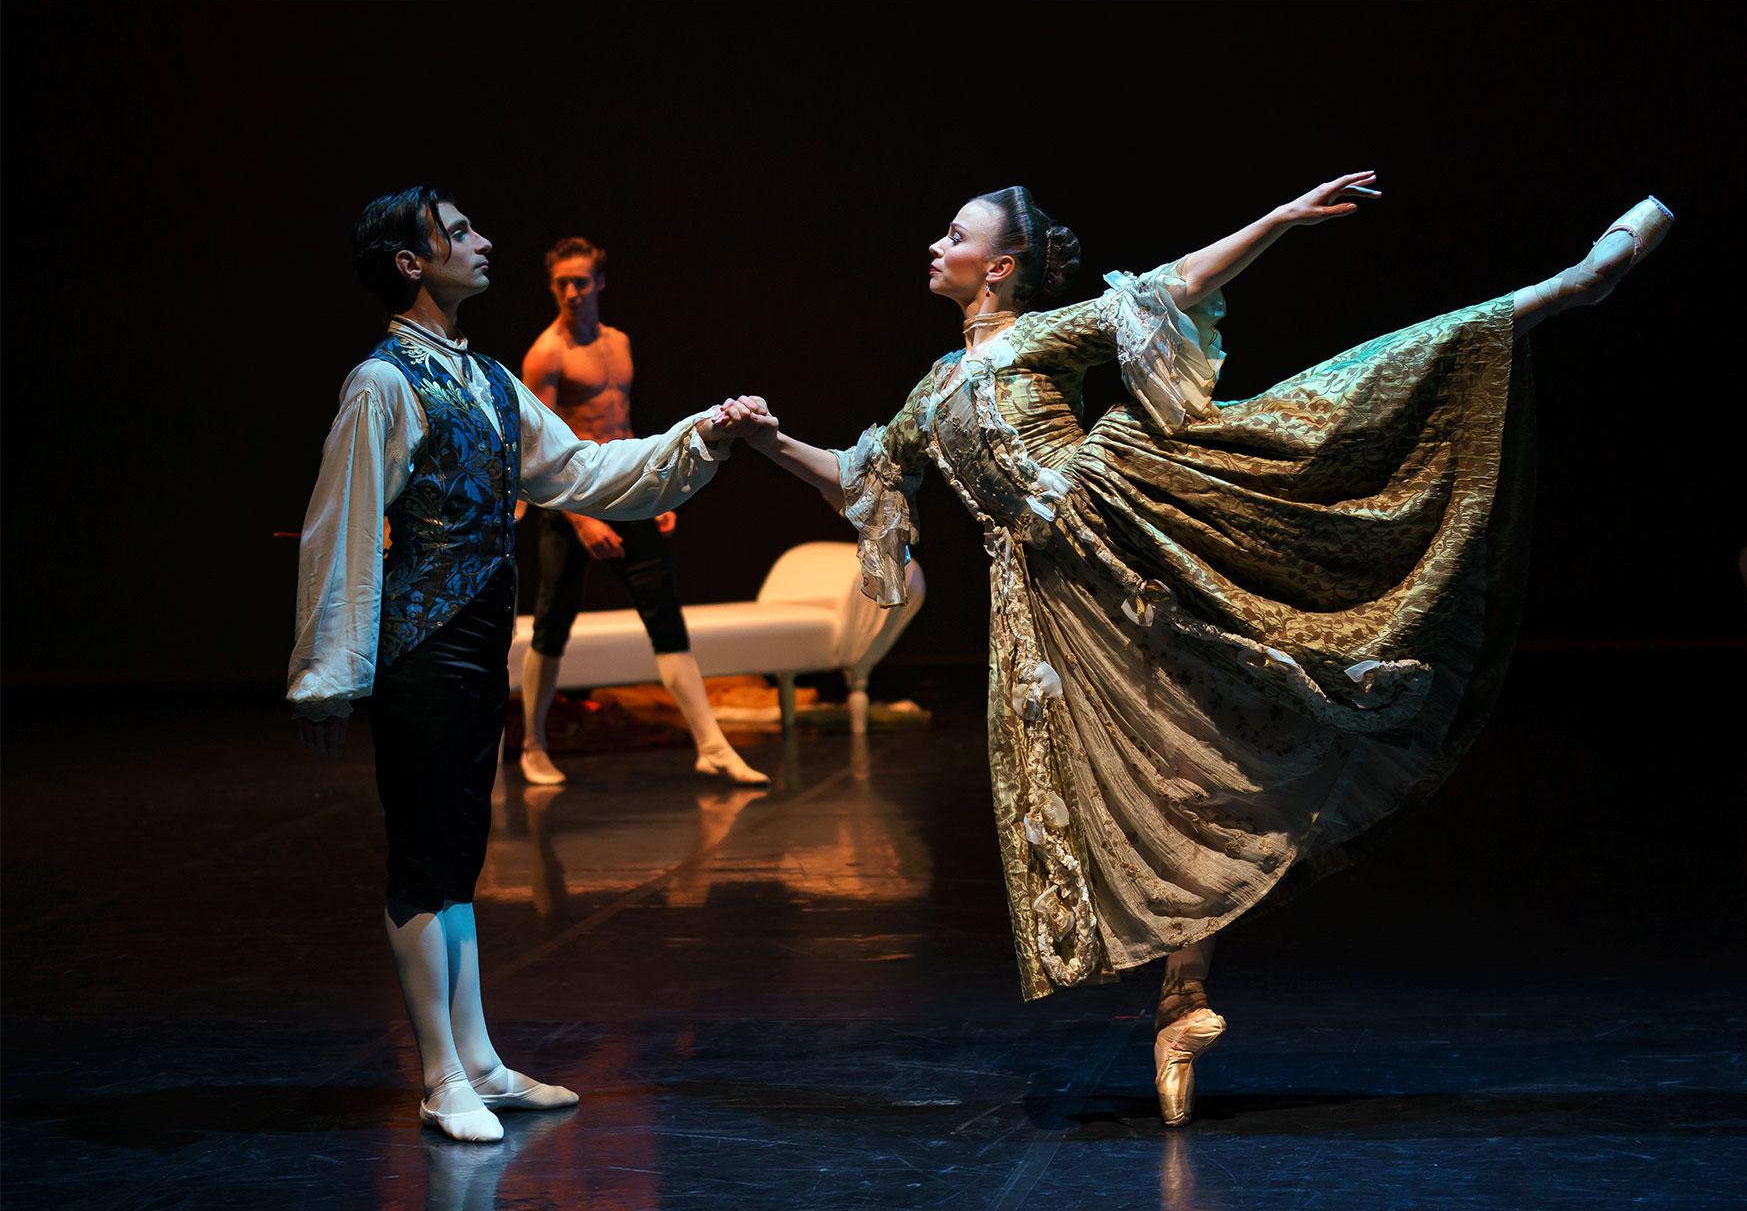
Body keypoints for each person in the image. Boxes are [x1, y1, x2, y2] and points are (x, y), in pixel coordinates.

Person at [739, 175, 1673, 1125]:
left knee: (1330, 409)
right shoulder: (934, 388)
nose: (935, 246)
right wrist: (767, 440)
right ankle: (1181, 1003)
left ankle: (1567, 287)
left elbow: (1172, 286)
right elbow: (859, 476)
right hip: (1051, 603)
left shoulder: (1040, 336)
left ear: (1000, 268)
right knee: (1162, 768)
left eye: (955, 234)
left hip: (1129, 522)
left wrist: (1275, 220)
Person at [288, 187, 771, 1142]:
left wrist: (696, 439)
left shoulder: (486, 378)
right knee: (426, 862)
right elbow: (339, 532)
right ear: (410, 264)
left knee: (460, 861)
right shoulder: (384, 384)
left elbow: (584, 473)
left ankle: (478, 1061)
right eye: (459, 231)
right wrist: (329, 677)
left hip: (475, 647)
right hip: (420, 650)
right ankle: (438, 1076)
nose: (483, 240)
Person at [517, 237, 767, 787]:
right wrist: (583, 519)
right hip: (571, 502)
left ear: (600, 283)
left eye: (581, 281)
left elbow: (625, 431)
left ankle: (711, 745)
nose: (571, 292)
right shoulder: (546, 355)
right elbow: (536, 451)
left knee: (664, 616)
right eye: (561, 283)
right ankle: (533, 745)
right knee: (552, 620)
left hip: (628, 494)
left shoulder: (619, 344)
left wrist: (657, 493)